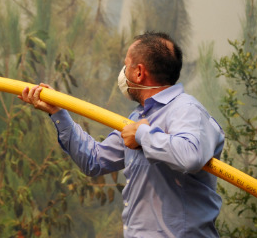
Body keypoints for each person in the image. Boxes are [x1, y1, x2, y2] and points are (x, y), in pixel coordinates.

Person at [18, 32, 225, 238]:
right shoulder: (138, 117)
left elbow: (191, 155)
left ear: (139, 73)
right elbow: (93, 160)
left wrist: (143, 135)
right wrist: (58, 112)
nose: (122, 72)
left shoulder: (186, 110)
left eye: (127, 65)